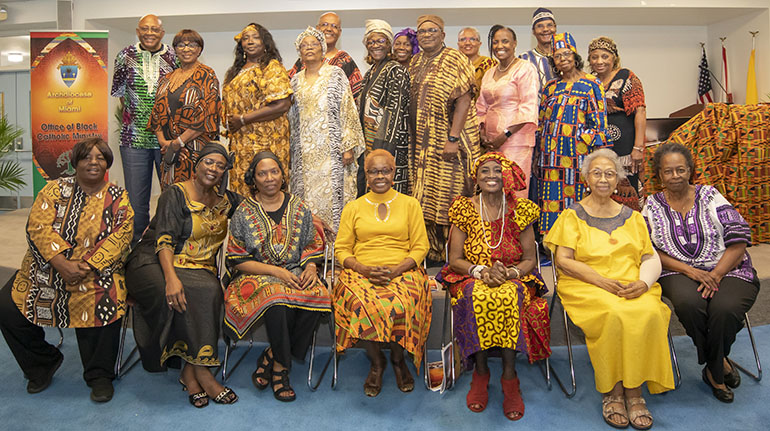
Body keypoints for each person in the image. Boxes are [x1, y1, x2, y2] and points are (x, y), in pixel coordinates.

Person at [545, 148, 674, 430]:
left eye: (610, 174)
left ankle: (635, 390)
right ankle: (614, 390)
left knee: (650, 311)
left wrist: (643, 283)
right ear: (586, 179)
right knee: (615, 314)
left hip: (631, 283)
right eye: (597, 173)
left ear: (618, 180)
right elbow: (563, 260)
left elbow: (649, 256)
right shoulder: (572, 215)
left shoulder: (634, 217)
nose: (603, 179)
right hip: (585, 285)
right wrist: (602, 282)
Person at [0, 138, 133, 403]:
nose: (93, 162)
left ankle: (99, 375)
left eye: (100, 157)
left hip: (95, 272)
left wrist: (86, 266)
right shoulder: (53, 190)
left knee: (105, 299)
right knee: (6, 306)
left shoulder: (118, 197)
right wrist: (62, 264)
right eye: (86, 157)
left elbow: (122, 235)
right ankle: (42, 363)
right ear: (75, 162)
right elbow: (37, 227)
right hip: (46, 269)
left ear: (108, 163)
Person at [125, 143, 241, 408]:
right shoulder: (175, 194)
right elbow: (164, 239)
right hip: (153, 260)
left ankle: (190, 371)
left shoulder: (227, 201)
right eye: (209, 162)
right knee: (184, 290)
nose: (214, 169)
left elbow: (262, 207)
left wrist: (311, 217)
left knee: (210, 289)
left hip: (195, 267)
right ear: (197, 164)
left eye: (220, 165)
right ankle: (202, 372)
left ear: (225, 171)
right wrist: (171, 278)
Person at [643, 143, 759, 404]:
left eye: (680, 170)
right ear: (659, 175)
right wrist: (690, 271)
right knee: (689, 303)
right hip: (678, 270)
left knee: (725, 309)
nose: (675, 176)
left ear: (690, 170)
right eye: (668, 171)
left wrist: (716, 274)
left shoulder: (710, 196)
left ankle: (713, 370)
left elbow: (739, 240)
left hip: (728, 268)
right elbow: (647, 249)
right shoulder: (652, 204)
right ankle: (720, 365)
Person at [439, 153, 550, 421]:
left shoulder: (519, 209)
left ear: (506, 176)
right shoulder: (465, 208)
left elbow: (529, 258)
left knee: (509, 296)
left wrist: (509, 273)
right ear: (475, 178)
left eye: (497, 171)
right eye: (484, 171)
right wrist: (480, 271)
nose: (491, 175)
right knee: (476, 295)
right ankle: (480, 371)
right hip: (469, 274)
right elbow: (454, 259)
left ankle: (510, 377)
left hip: (514, 276)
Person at [223, 151, 331, 402]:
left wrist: (312, 267)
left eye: (274, 172)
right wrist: (275, 271)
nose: (269, 178)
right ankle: (282, 369)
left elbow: (312, 243)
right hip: (256, 274)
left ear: (283, 176)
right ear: (253, 179)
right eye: (262, 173)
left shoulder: (299, 206)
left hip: (295, 270)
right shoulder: (243, 211)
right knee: (277, 299)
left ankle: (272, 355)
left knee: (319, 294)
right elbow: (237, 259)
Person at [334, 149, 432, 397]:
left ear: (393, 172)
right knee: (359, 302)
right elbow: (342, 249)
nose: (380, 176)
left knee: (403, 303)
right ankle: (377, 362)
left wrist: (397, 270)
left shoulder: (410, 204)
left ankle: (398, 359)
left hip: (403, 270)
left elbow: (421, 245)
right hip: (361, 271)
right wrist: (362, 269)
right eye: (373, 171)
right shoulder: (353, 207)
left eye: (385, 170)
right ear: (365, 175)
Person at [409, 14, 481, 263]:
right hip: (422, 145)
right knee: (425, 196)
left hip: (449, 142)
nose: (426, 35)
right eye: (422, 31)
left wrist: (453, 138)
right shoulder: (415, 61)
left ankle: (456, 253)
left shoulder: (455, 58)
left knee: (451, 194)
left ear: (443, 34)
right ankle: (433, 252)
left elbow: (463, 99)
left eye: (432, 30)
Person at [288, 27, 365, 233]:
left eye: (313, 44)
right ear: (299, 51)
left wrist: (347, 146)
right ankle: (312, 252)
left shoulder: (336, 74)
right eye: (304, 45)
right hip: (304, 154)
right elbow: (291, 118)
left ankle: (336, 255)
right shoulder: (295, 81)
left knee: (335, 201)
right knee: (306, 201)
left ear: (322, 48)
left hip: (332, 154)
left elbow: (347, 109)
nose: (309, 48)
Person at [111, 14, 177, 244]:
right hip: (133, 140)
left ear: (162, 32)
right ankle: (138, 246)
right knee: (136, 199)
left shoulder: (173, 55)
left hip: (167, 141)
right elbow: (120, 95)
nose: (150, 33)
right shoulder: (124, 56)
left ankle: (167, 244)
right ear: (138, 31)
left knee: (171, 197)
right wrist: (138, 118)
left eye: (154, 29)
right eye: (145, 29)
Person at [536, 32, 608, 235]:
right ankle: (551, 246)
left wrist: (584, 141)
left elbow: (599, 124)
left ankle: (579, 245)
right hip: (550, 158)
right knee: (551, 199)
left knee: (579, 200)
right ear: (554, 61)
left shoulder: (592, 84)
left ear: (575, 56)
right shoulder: (550, 87)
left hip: (579, 156)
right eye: (558, 56)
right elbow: (541, 123)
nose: (563, 59)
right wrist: (538, 155)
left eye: (567, 54)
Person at [221, 23, 292, 196]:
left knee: (267, 186)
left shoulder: (271, 67)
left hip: (267, 141)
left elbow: (282, 104)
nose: (250, 41)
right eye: (245, 38)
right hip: (240, 143)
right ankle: (246, 223)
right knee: (243, 187)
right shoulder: (235, 72)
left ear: (265, 43)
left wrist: (243, 119)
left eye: (255, 37)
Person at [148, 29, 220, 190]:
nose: (186, 49)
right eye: (181, 45)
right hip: (169, 152)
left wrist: (179, 142)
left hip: (196, 151)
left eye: (192, 45)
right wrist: (164, 142)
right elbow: (157, 113)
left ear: (200, 49)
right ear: (175, 50)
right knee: (171, 198)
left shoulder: (207, 74)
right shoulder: (166, 78)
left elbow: (207, 115)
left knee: (196, 197)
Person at [477, 25, 539, 197]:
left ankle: (517, 225)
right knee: (492, 190)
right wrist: (482, 134)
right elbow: (481, 106)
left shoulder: (525, 69)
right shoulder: (489, 73)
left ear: (514, 44)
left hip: (516, 142)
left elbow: (528, 106)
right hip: (490, 143)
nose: (499, 46)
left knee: (513, 190)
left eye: (505, 41)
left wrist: (505, 135)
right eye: (495, 42)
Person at [588, 36, 647, 209]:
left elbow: (640, 111)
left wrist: (638, 148)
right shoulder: (589, 82)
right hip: (598, 149)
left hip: (626, 149)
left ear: (614, 58)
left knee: (627, 190)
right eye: (594, 57)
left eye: (605, 56)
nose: (599, 61)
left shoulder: (626, 76)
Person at [357, 19, 411, 196]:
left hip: (389, 146)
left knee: (391, 195)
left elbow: (396, 113)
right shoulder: (370, 72)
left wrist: (383, 150)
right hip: (371, 144)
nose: (375, 45)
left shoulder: (396, 70)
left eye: (380, 41)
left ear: (389, 44)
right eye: (371, 41)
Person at [287, 11, 363, 102]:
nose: (329, 29)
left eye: (334, 26)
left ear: (340, 32)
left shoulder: (345, 60)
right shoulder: (304, 60)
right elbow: (288, 89)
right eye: (324, 24)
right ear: (317, 28)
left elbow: (358, 97)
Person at [519, 8, 557, 92]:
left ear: (555, 27)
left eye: (549, 25)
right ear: (533, 31)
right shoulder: (524, 59)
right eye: (540, 26)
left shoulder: (566, 56)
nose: (545, 29)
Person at [458, 27, 498, 97]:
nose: (467, 43)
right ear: (458, 44)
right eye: (463, 39)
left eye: (472, 39)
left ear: (479, 44)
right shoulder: (451, 65)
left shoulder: (490, 63)